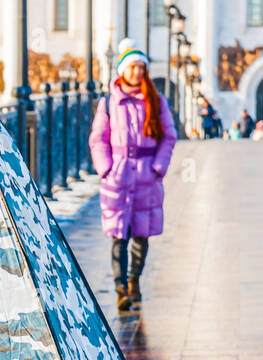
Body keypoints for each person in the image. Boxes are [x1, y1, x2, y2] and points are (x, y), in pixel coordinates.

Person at [89, 38, 177, 318]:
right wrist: (105, 168)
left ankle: (134, 282)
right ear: (122, 70)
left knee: (141, 234)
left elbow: (169, 136)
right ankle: (120, 289)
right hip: (118, 176)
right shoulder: (108, 102)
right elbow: (98, 139)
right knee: (119, 235)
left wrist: (158, 167)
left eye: (141, 68)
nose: (137, 72)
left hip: (146, 175)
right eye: (133, 67)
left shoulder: (155, 99)